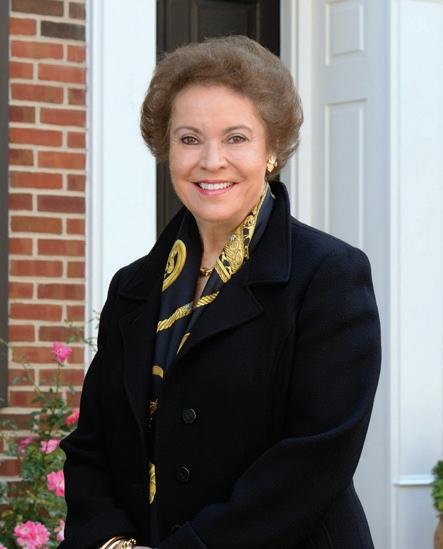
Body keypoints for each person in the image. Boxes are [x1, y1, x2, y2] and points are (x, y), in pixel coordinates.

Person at [59, 35, 381, 549]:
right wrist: (110, 541)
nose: (211, 161)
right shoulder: (133, 288)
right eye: (189, 139)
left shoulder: (329, 276)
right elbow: (93, 445)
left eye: (236, 138)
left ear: (271, 150)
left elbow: (315, 459)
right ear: (167, 150)